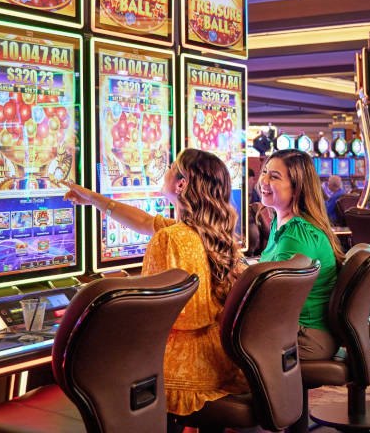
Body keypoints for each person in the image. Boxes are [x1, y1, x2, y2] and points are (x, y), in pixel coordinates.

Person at [63, 149, 247, 420]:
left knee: (90, 369)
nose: (166, 171)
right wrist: (93, 199)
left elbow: (149, 318)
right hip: (218, 361)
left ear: (181, 184)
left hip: (177, 373)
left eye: (171, 167)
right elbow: (145, 221)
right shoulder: (214, 234)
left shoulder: (170, 239)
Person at [257, 149, 343, 360]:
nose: (263, 180)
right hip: (291, 328)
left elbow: (276, 300)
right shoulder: (282, 222)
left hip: (306, 335)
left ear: (297, 189)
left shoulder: (297, 234)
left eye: (274, 176)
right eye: (265, 172)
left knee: (221, 342)